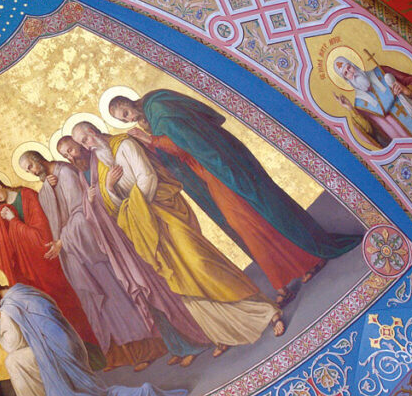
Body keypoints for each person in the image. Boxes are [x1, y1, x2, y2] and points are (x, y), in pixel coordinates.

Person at [70, 127, 284, 357]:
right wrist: (110, 188)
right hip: (145, 227)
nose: (87, 145)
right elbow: (113, 206)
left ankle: (267, 312)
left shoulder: (125, 144)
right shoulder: (101, 167)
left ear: (94, 130)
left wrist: (140, 211)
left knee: (201, 262)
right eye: (82, 144)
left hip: (163, 212)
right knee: (179, 277)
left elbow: (148, 177)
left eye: (86, 138)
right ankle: (222, 333)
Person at [108, 91, 360, 268]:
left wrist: (150, 140)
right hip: (212, 165)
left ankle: (309, 252)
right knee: (248, 215)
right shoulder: (151, 113)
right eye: (123, 119)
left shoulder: (158, 108)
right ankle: (300, 261)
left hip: (219, 162)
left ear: (129, 101)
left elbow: (184, 143)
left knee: (259, 206)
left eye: (126, 112)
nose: (128, 119)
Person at [54, 135, 210, 366]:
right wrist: (90, 200)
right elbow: (88, 209)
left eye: (72, 149)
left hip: (129, 234)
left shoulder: (101, 159)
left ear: (80, 145)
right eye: (66, 155)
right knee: (144, 296)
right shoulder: (80, 174)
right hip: (113, 244)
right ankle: (176, 346)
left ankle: (194, 342)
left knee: (156, 288)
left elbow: (124, 190)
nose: (71, 156)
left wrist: (104, 191)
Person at [0, 275, 185, 396]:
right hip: (69, 343)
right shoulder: (23, 291)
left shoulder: (10, 307)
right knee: (90, 390)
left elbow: (13, 344)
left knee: (14, 361)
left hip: (55, 350)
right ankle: (137, 395)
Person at [18, 151, 167, 371]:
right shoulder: (48, 184)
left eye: (30, 166)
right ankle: (119, 355)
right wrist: (48, 191)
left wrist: (63, 241)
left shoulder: (66, 173)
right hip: (72, 253)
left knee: (113, 296)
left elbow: (82, 212)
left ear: (38, 159)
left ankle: (146, 349)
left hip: (88, 247)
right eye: (27, 170)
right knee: (95, 305)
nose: (31, 172)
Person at [0, 177, 99, 347]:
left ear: (0, 185)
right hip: (26, 273)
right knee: (41, 313)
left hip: (46, 263)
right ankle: (60, 350)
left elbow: (41, 237)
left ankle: (88, 347)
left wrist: (14, 221)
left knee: (64, 304)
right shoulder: (1, 213)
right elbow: (4, 250)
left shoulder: (27, 196)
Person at [332, 55, 412, 149]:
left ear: (354, 65)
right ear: (346, 80)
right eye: (346, 73)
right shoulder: (359, 106)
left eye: (349, 67)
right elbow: (370, 132)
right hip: (404, 142)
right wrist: (350, 109)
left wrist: (406, 90)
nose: (351, 73)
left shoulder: (381, 71)